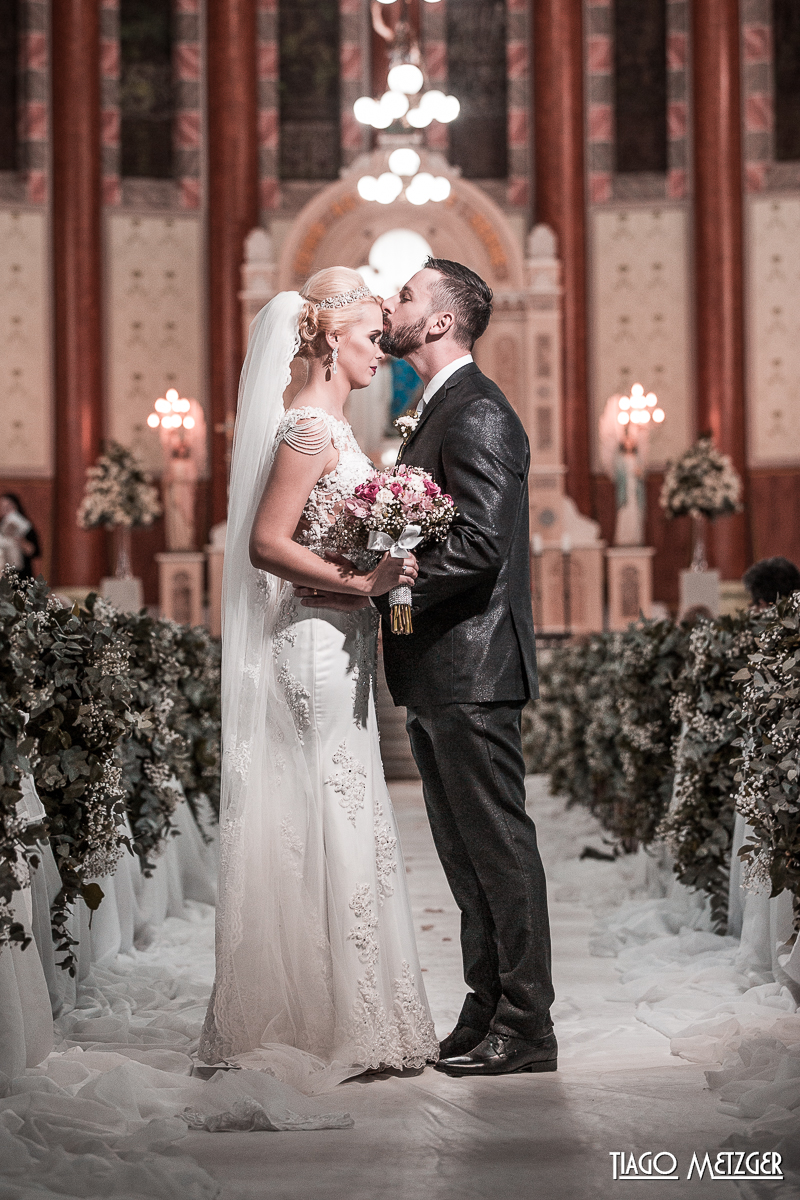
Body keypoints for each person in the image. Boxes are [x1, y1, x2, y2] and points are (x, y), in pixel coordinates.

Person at [299, 258, 556, 1077]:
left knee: (498, 848)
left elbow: (479, 546)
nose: (392, 304)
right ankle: (484, 1011)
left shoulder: (477, 410)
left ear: (441, 322)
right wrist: (386, 588)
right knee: (463, 853)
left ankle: (528, 1025)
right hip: (445, 665)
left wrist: (383, 594)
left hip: (476, 668)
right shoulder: (432, 408)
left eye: (406, 295)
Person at [198, 268, 438, 1086]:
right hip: (312, 643)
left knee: (348, 798)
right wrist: (363, 582)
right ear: (333, 339)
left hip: (343, 636)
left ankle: (353, 1007)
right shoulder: (307, 428)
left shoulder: (334, 427)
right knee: (329, 799)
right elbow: (266, 544)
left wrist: (378, 564)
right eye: (375, 335)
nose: (386, 349)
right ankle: (336, 1020)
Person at [0, 493, 39, 578]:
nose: (6, 510)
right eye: (3, 507)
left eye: (9, 507)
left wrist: (20, 541)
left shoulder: (26, 527)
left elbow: (35, 551)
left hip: (21, 574)